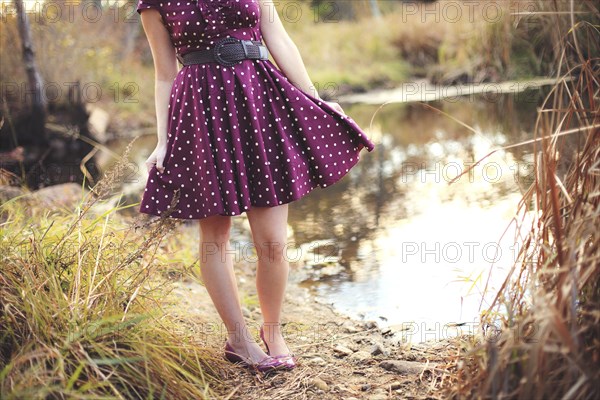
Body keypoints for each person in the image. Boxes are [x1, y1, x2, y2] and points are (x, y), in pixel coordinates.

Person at [136, 0, 375, 373]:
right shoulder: (155, 2)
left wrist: (315, 97)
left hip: (259, 100)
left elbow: (278, 36)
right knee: (215, 234)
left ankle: (273, 331)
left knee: (273, 239)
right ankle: (239, 339)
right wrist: (164, 140)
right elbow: (164, 74)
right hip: (200, 110)